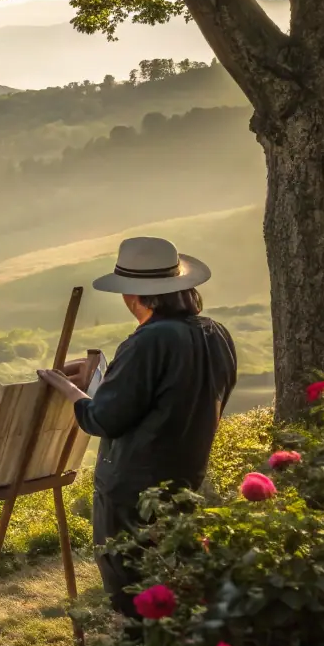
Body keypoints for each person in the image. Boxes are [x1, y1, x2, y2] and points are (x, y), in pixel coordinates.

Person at [37, 237, 237, 617]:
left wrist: (67, 387)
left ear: (135, 295)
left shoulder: (149, 341)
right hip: (185, 477)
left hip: (132, 488)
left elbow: (103, 418)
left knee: (129, 581)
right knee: (177, 572)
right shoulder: (215, 333)